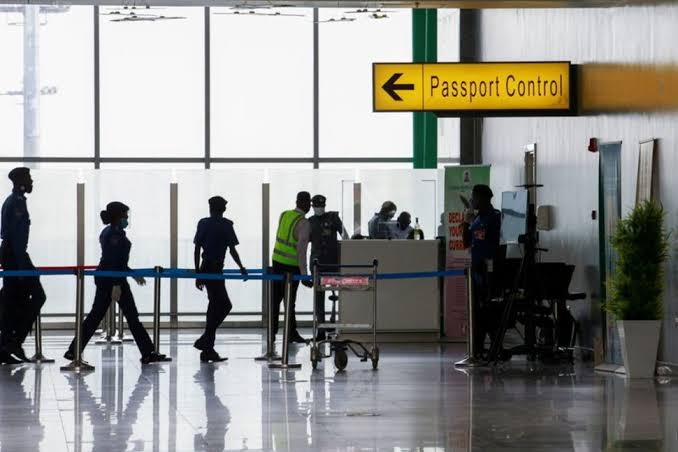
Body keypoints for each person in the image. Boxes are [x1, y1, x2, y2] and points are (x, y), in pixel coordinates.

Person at [64, 202, 168, 364]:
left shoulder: (110, 231)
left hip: (110, 277)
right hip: (112, 280)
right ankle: (148, 352)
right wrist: (116, 284)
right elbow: (112, 261)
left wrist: (132, 274)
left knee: (97, 316)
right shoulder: (114, 235)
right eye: (125, 215)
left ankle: (73, 350)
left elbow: (118, 261)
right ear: (118, 216)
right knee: (128, 317)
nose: (127, 218)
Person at [0, 167, 46, 364]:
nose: (31, 182)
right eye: (28, 178)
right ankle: (14, 341)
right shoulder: (16, 203)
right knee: (38, 295)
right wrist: (21, 266)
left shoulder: (14, 201)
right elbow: (17, 238)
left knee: (10, 301)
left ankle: (5, 347)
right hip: (15, 255)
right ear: (20, 182)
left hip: (12, 254)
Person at [193, 196, 247, 363]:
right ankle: (206, 341)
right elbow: (232, 250)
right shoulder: (226, 225)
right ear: (223, 209)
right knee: (224, 305)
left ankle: (207, 346)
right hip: (215, 269)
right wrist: (241, 267)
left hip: (206, 268)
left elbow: (197, 249)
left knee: (214, 305)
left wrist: (198, 273)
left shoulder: (203, 223)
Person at [462, 184, 502, 358]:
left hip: (490, 272)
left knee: (489, 311)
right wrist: (466, 222)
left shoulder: (495, 218)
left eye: (474, 197)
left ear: (483, 198)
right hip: (476, 272)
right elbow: (466, 242)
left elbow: (500, 245)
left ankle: (495, 347)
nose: (472, 200)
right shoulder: (477, 219)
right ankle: (477, 349)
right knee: (477, 312)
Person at [271, 191, 313, 343]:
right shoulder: (304, 223)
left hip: (276, 261)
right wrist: (304, 275)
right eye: (309, 203)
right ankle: (291, 333)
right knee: (289, 301)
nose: (310, 206)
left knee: (275, 300)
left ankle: (272, 333)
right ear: (305, 203)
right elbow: (301, 250)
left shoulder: (284, 215)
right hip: (291, 267)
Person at [309, 194, 346, 341]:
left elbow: (345, 235)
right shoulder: (310, 221)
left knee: (338, 293)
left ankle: (334, 323)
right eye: (317, 206)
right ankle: (321, 329)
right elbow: (305, 241)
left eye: (321, 206)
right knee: (319, 297)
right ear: (313, 206)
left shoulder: (333, 218)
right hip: (318, 263)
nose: (319, 208)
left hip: (333, 262)